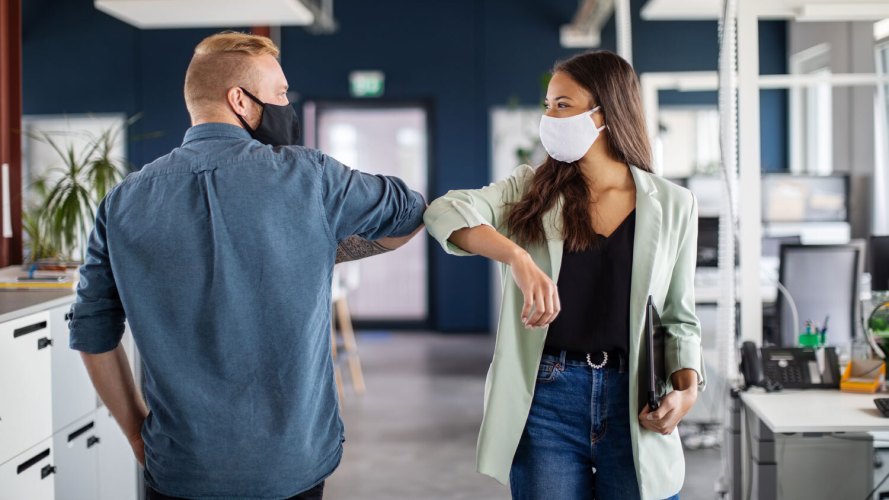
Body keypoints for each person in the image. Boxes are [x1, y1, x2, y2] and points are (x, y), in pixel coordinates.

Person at [69, 32, 425, 500]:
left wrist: (138, 434)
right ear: (239, 99)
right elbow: (411, 211)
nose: (285, 107)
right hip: (291, 467)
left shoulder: (122, 202)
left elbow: (93, 333)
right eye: (279, 95)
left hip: (179, 469)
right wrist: (333, 247)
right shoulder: (310, 176)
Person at [424, 50, 704, 500]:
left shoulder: (673, 204)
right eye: (548, 105)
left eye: (563, 105)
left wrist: (687, 392)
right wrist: (516, 256)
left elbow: (679, 318)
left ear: (606, 113)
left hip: (634, 398)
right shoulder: (529, 189)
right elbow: (443, 211)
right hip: (547, 398)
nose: (550, 116)